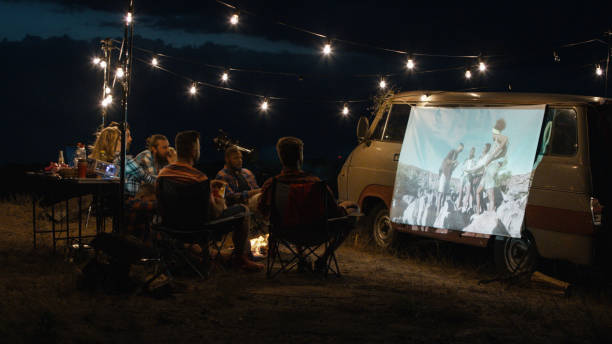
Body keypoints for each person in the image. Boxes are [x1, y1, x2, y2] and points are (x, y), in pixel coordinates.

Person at [156, 130, 262, 272]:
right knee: (243, 210)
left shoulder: (163, 175)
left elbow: (161, 204)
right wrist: (218, 198)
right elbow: (214, 212)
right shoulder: (198, 178)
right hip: (198, 229)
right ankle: (240, 259)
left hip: (170, 228)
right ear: (194, 151)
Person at [258, 137, 359, 272]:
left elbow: (263, 211)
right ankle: (323, 259)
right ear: (300, 157)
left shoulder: (272, 184)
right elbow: (334, 213)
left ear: (281, 157)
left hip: (285, 233)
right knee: (353, 210)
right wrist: (344, 207)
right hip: (318, 233)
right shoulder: (316, 184)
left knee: (294, 214)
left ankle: (302, 257)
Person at [90, 123, 155, 198]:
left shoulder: (99, 163)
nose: (129, 140)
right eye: (125, 137)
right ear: (118, 140)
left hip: (106, 204)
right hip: (127, 204)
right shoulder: (124, 161)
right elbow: (149, 179)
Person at [476, 119, 509, 213]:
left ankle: (489, 217)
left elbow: (505, 139)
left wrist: (495, 153)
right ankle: (478, 212)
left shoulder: (498, 137)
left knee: (491, 196)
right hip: (489, 168)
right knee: (478, 191)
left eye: (493, 133)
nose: (492, 135)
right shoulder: (496, 141)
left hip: (492, 167)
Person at [437, 143, 464, 213]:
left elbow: (452, 169)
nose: (460, 151)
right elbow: (446, 160)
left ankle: (442, 211)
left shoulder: (457, 155)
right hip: (444, 173)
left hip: (449, 175)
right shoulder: (452, 151)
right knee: (441, 193)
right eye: (460, 149)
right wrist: (454, 161)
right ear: (458, 147)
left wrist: (456, 166)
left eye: (462, 150)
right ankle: (437, 212)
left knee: (445, 193)